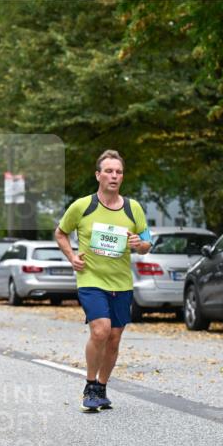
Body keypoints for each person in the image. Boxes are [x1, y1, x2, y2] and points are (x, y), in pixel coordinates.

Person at [55, 149, 152, 412]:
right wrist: (71, 257)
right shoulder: (82, 206)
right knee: (101, 330)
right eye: (109, 171)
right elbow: (61, 233)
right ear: (98, 175)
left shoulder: (133, 208)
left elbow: (147, 243)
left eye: (118, 171)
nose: (114, 175)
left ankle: (102, 387)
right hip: (91, 278)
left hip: (121, 283)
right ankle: (89, 385)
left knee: (115, 338)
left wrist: (139, 243)